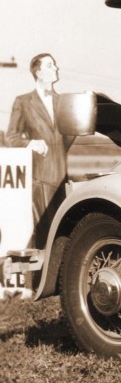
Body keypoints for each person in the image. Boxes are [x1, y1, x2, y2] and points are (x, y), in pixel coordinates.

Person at [6, 53, 75, 247]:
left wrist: (56, 154)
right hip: (39, 183)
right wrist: (31, 144)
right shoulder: (23, 102)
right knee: (44, 240)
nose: (56, 68)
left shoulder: (63, 102)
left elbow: (68, 137)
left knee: (63, 237)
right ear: (38, 73)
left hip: (61, 180)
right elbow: (11, 138)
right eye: (50, 65)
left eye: (54, 64)